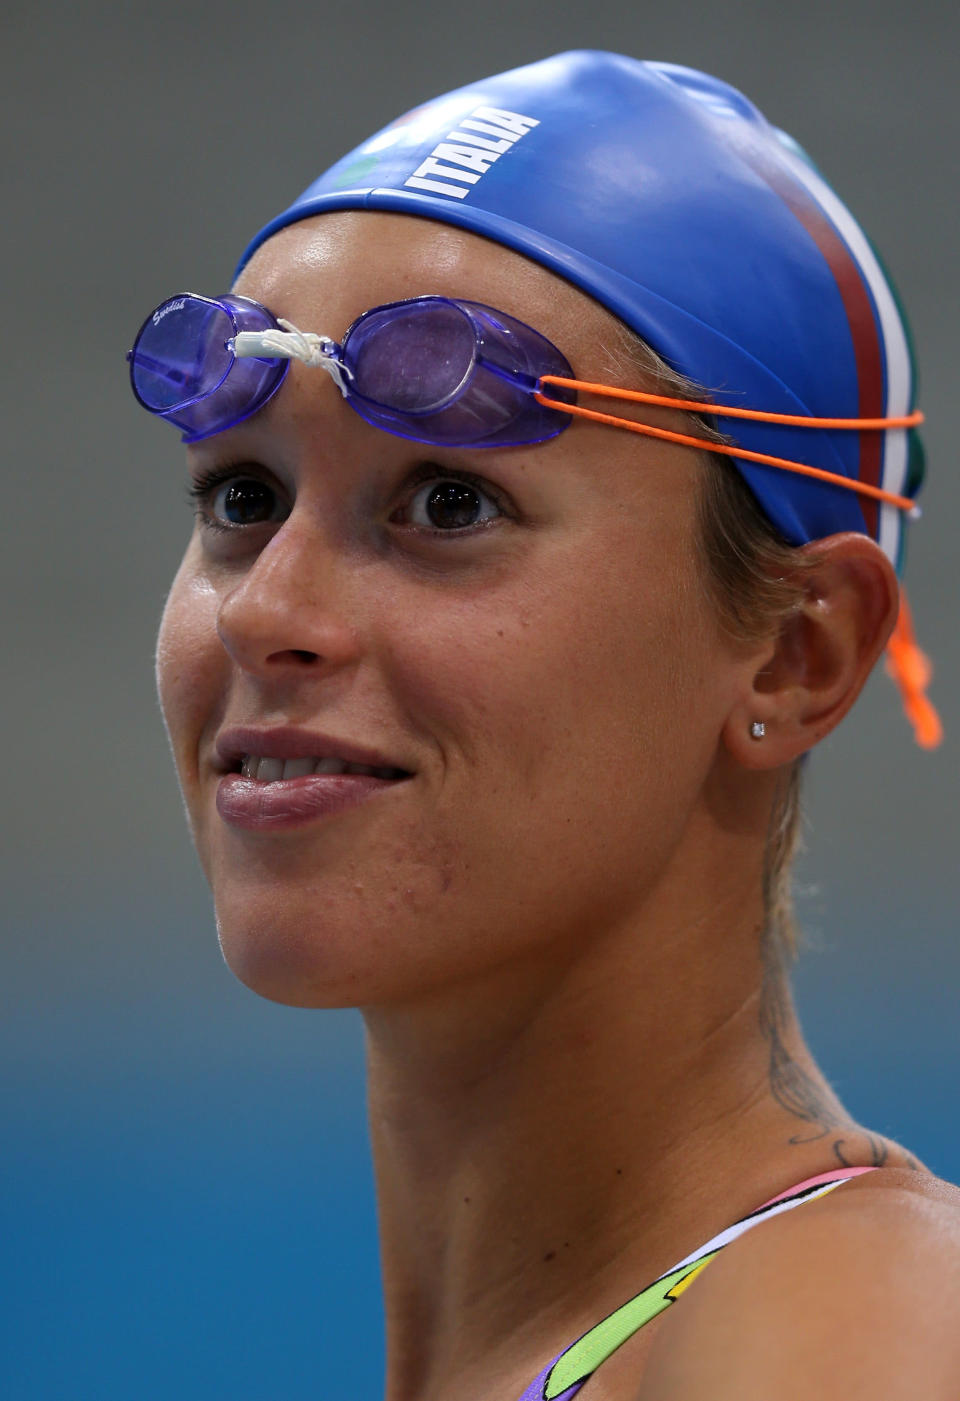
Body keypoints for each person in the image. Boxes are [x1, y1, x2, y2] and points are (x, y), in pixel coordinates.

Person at [133, 51, 957, 1401]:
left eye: (448, 503)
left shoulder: (856, 1332)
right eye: (239, 495)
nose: (268, 608)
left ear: (794, 654)